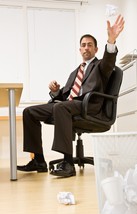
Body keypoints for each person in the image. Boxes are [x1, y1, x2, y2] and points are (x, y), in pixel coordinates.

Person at [17, 15, 125, 178]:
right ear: (80, 49)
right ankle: (38, 160)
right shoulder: (75, 72)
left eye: (90, 45)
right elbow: (64, 95)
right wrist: (55, 91)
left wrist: (111, 40)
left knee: (61, 107)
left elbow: (109, 61)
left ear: (96, 49)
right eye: (83, 45)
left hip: (89, 106)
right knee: (29, 112)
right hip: (68, 104)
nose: (86, 48)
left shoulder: (101, 66)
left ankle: (68, 163)